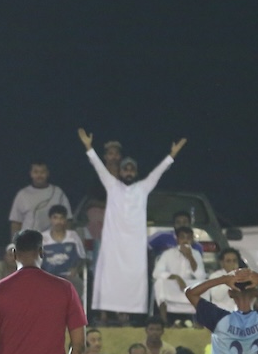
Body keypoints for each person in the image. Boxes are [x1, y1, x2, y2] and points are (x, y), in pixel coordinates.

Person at [79, 127, 186, 324]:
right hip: (113, 243)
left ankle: (126, 316)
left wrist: (172, 155)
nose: (128, 172)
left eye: (131, 169)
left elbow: (158, 172)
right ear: (120, 172)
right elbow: (98, 167)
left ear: (136, 173)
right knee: (108, 277)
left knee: (132, 279)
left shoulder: (143, 188)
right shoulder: (112, 186)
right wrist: (88, 147)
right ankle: (104, 315)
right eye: (125, 169)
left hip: (134, 245)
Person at [152, 226, 206, 322]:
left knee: (204, 285)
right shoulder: (168, 253)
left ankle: (199, 321)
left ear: (192, 240)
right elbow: (156, 273)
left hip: (189, 286)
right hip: (173, 285)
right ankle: (164, 320)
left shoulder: (196, 254)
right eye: (182, 237)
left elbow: (201, 276)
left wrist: (190, 257)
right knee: (159, 283)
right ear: (177, 239)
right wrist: (176, 278)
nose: (185, 241)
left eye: (188, 238)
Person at [8, 161, 70, 240]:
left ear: (47, 173)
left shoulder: (58, 193)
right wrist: (15, 243)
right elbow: (16, 222)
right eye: (36, 172)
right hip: (28, 241)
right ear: (31, 174)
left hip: (52, 241)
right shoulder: (22, 194)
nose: (39, 175)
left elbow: (68, 219)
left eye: (42, 172)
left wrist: (66, 239)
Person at [40, 204, 85, 293]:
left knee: (78, 284)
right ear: (50, 219)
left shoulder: (73, 236)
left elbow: (82, 258)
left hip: (69, 277)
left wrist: (75, 269)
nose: (58, 222)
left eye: (61, 218)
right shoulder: (42, 238)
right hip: (48, 277)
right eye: (55, 218)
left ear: (65, 220)